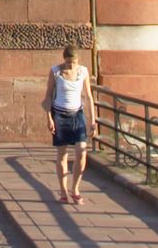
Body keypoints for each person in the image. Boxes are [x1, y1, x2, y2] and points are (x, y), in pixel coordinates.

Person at [45, 44, 96, 206]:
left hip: (77, 114)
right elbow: (47, 96)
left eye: (73, 62)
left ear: (77, 60)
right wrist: (49, 118)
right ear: (64, 60)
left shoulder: (83, 72)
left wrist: (92, 121)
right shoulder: (56, 71)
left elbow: (88, 96)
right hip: (60, 114)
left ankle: (76, 189)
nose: (70, 65)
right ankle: (63, 191)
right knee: (63, 154)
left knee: (82, 151)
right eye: (68, 62)